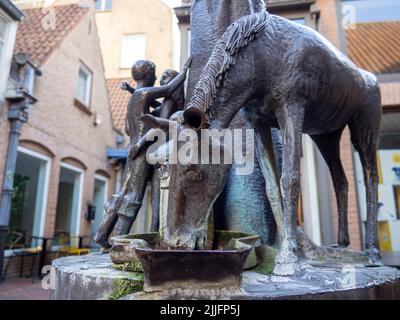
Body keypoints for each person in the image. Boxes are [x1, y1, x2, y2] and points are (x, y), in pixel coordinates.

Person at [94, 58, 191, 249]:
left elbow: (130, 126)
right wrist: (185, 70)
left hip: (134, 149)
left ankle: (102, 233)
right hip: (140, 151)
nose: (156, 76)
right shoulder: (141, 93)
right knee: (134, 197)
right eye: (155, 73)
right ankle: (118, 241)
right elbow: (168, 89)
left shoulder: (137, 96)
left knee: (124, 192)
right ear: (148, 74)